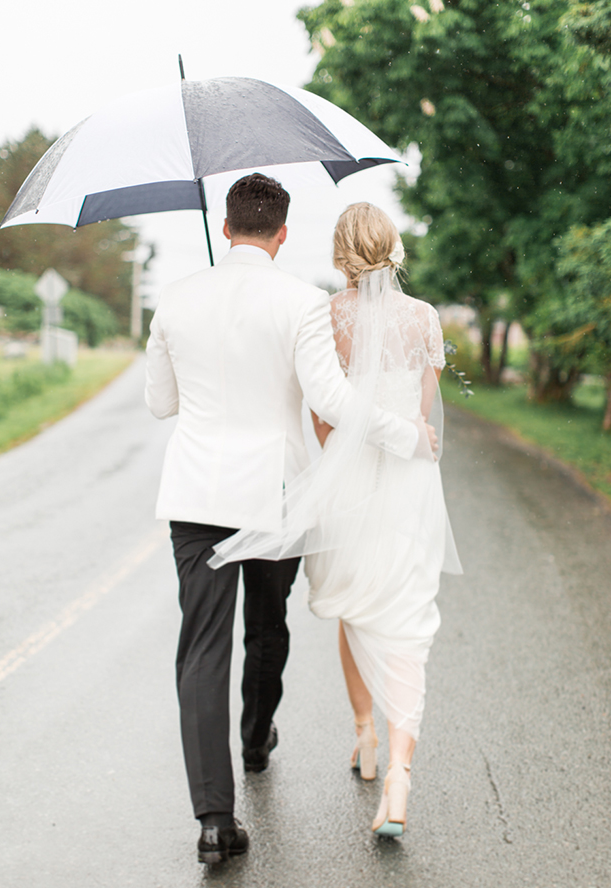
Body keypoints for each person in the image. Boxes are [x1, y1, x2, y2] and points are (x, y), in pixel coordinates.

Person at [144, 176, 426, 864]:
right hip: (274, 494)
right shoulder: (300, 301)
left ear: (228, 225)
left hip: (196, 500)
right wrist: (403, 433)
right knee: (268, 629)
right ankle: (255, 734)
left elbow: (159, 404)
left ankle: (215, 820)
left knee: (202, 648)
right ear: (282, 232)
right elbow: (329, 395)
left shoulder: (175, 300)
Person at [212, 202, 461, 838]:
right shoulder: (424, 319)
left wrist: (340, 458)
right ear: (394, 248)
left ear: (339, 254)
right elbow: (422, 416)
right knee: (407, 615)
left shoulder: (328, 316)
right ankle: (401, 768)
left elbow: (325, 416)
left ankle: (365, 737)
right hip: (410, 487)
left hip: (348, 488)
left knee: (354, 607)